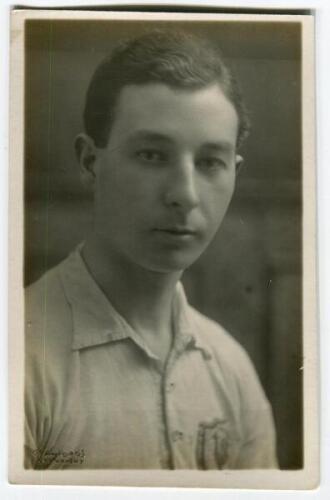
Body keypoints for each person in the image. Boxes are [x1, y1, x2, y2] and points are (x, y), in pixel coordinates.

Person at [24, 30, 278, 470]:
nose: (184, 194)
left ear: (234, 173)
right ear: (90, 162)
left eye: (209, 162)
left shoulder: (231, 370)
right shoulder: (19, 357)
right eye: (151, 155)